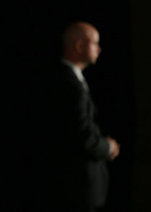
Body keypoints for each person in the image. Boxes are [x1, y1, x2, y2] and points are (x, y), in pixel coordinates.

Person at [32, 21, 120, 212]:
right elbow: (83, 137)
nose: (99, 48)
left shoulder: (70, 80)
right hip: (78, 187)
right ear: (79, 46)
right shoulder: (69, 85)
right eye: (95, 43)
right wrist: (109, 147)